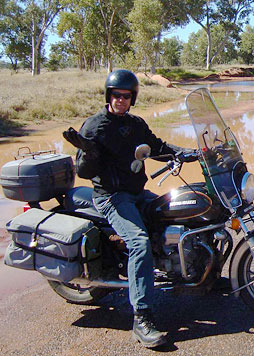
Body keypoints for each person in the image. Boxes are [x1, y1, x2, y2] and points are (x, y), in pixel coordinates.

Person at [63, 69, 186, 348]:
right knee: (139, 242)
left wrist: (186, 152)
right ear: (109, 95)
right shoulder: (94, 126)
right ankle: (142, 318)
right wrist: (88, 151)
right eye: (116, 95)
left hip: (136, 192)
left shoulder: (136, 124)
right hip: (111, 197)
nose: (120, 99)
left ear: (133, 98)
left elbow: (156, 147)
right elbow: (83, 171)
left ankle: (204, 275)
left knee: (176, 212)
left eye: (126, 95)